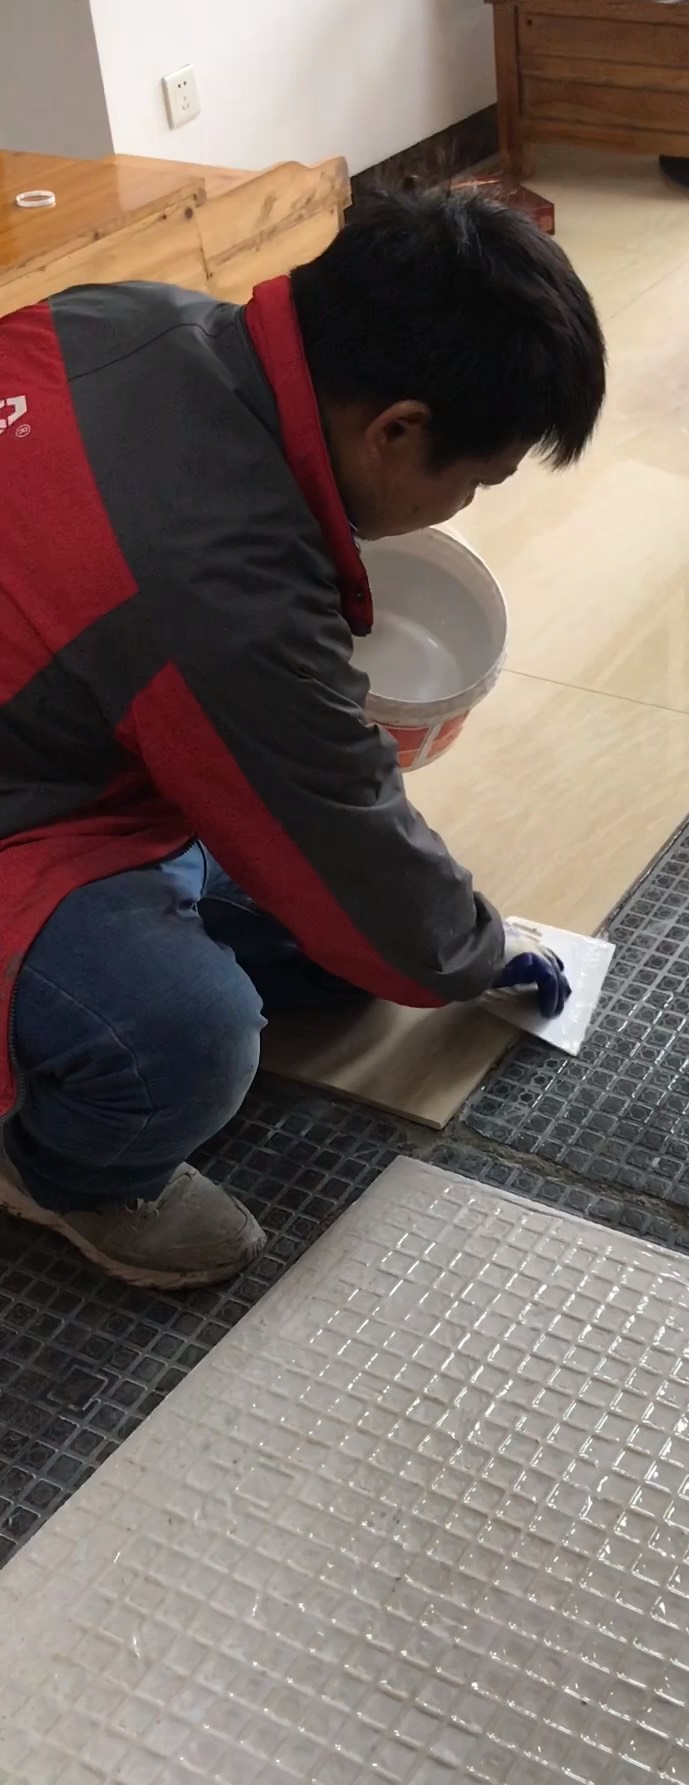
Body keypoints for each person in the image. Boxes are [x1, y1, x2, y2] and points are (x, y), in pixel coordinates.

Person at [0, 189, 606, 1291]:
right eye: (477, 481)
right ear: (398, 429)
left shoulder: (134, 317)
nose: (466, 504)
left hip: (44, 743)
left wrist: (416, 931)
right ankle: (59, 1172)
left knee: (337, 947)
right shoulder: (222, 583)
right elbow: (334, 820)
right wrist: (471, 951)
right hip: (25, 815)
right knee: (189, 1035)